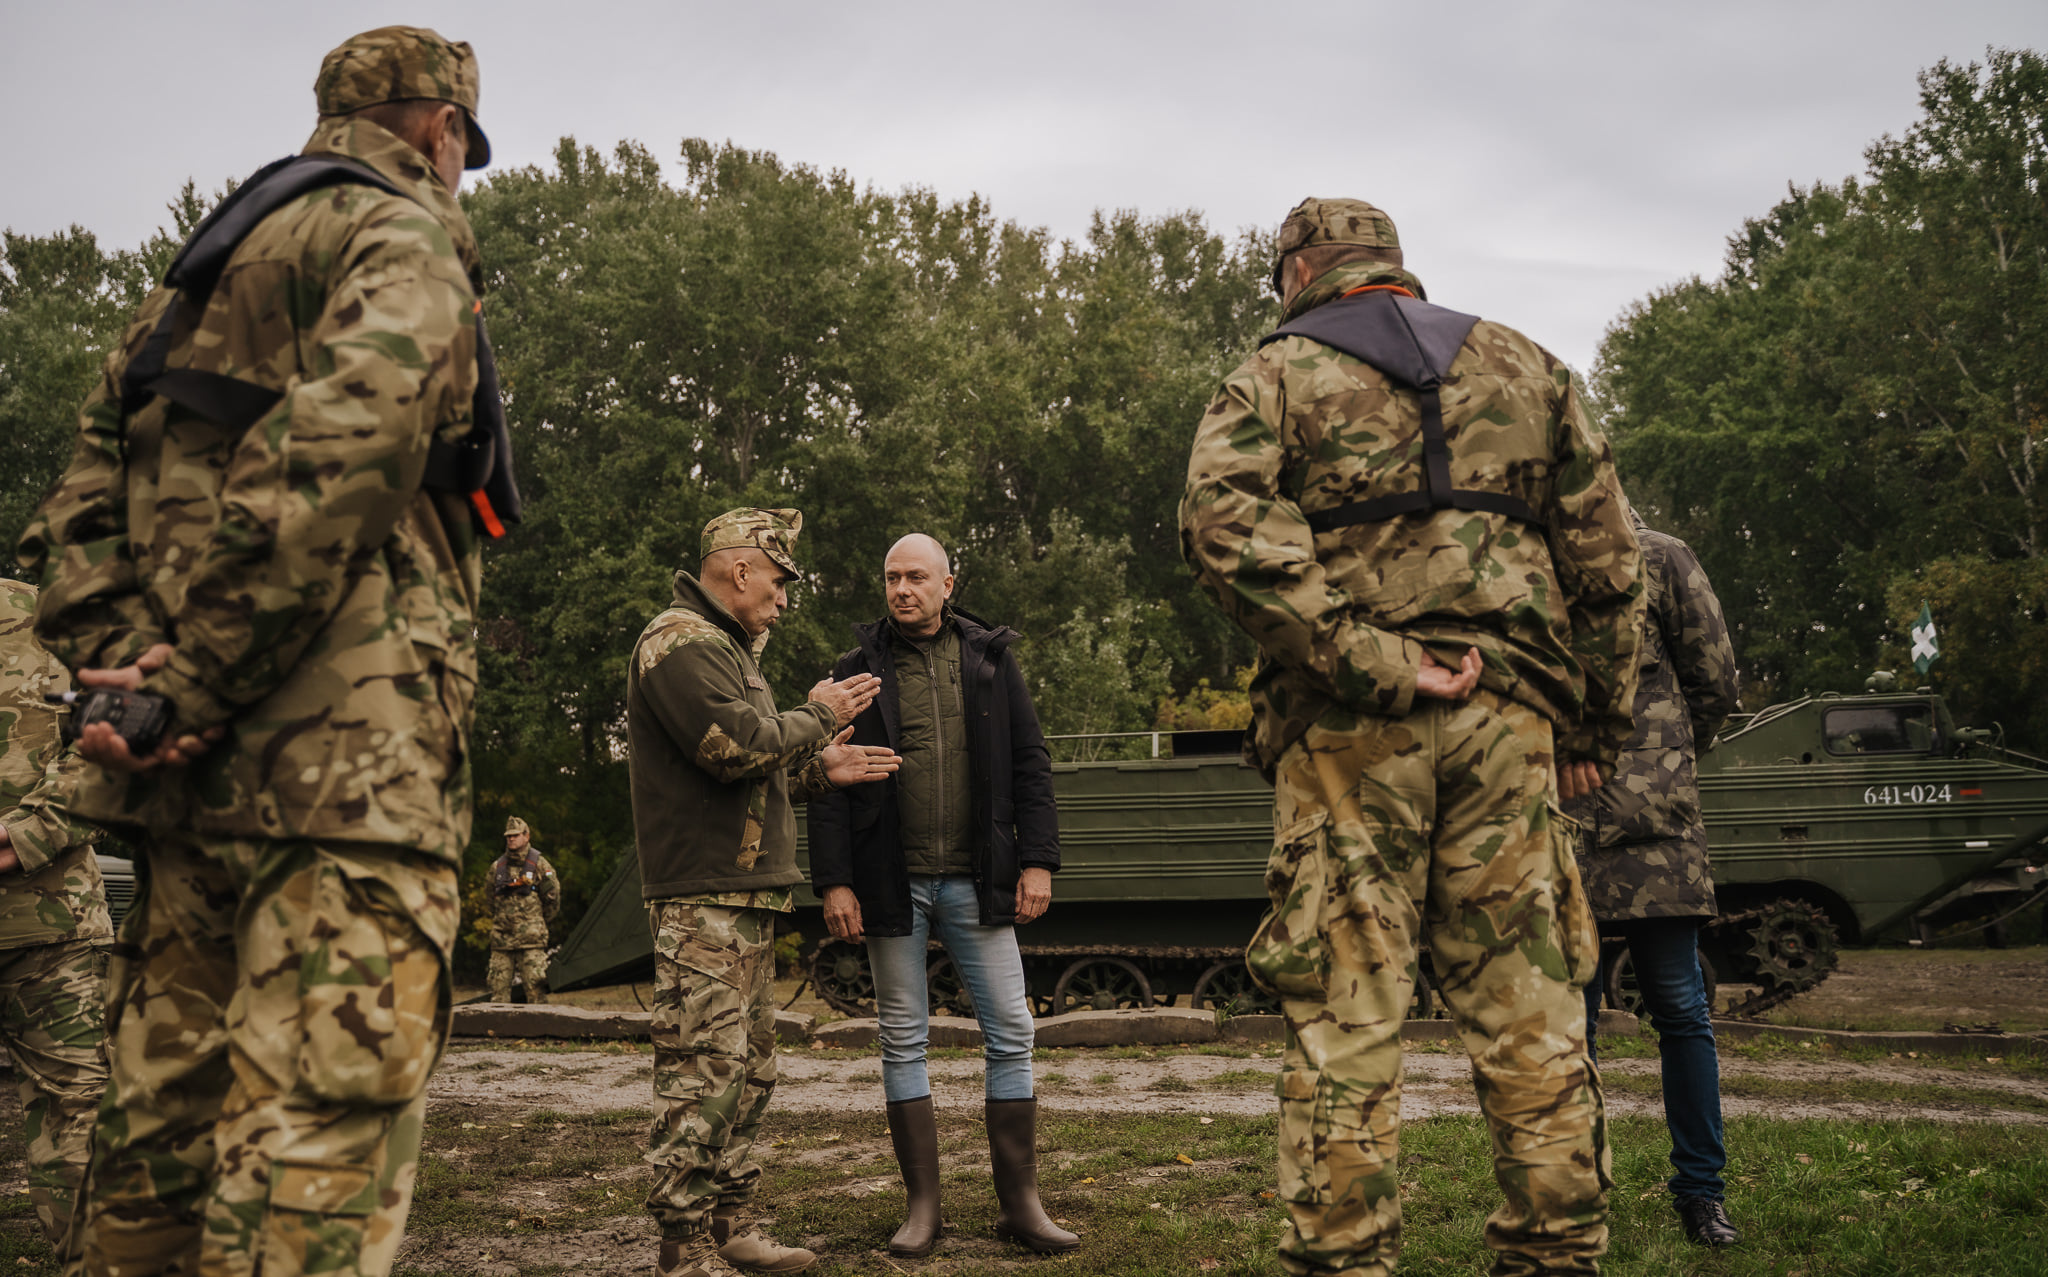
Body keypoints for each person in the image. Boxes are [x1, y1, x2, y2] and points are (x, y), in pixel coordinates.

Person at [17, 26, 502, 1275]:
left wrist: (133, 679)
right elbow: (346, 449)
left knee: (159, 1150)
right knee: (312, 1153)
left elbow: (71, 515)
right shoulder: (401, 233)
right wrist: (195, 678)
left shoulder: (187, 284)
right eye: (461, 145)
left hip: (187, 793)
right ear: (440, 128)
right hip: (344, 784)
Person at [1180, 196, 1645, 1277]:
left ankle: (1345, 1259)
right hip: (1509, 726)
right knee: (1532, 1009)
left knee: (1347, 1011)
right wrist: (1592, 724)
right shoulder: (1529, 367)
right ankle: (1555, 1254)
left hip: (1349, 733)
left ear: (1300, 270)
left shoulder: (1271, 375)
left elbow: (1223, 531)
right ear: (1392, 261)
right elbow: (1612, 565)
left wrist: (1370, 659)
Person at [628, 508, 900, 1277]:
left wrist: (819, 772)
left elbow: (755, 769)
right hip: (703, 899)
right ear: (740, 569)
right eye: (779, 583)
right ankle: (681, 1249)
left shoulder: (726, 649)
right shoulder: (678, 641)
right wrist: (820, 715)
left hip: (744, 895)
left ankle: (731, 1221)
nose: (783, 601)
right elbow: (733, 748)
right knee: (703, 1071)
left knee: (749, 1071)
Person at [808, 533, 1074, 1259]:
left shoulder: (991, 660)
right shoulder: (855, 670)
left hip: (976, 880)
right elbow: (828, 781)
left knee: (1011, 1031)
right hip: (889, 880)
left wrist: (1038, 862)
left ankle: (1020, 1205)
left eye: (916, 577)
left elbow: (1031, 763)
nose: (902, 589)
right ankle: (922, 1208)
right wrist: (835, 880)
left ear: (947, 584)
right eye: (892, 577)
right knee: (903, 1038)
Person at [1567, 510, 1741, 1248]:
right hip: (1558, 826)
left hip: (1652, 830)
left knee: (1677, 1005)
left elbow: (1715, 681)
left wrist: (1659, 763)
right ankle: (1574, 1195)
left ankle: (1700, 1192)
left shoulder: (1661, 558)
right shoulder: (1525, 563)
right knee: (1568, 1022)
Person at [0, 579, 111, 1260]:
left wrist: (28, 833)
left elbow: (120, 736)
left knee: (82, 1128)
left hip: (51, 932)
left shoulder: (51, 620)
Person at [485, 816, 562, 1003]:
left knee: (536, 991)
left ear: (526, 836)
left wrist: (535, 923)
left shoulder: (540, 865)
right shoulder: (497, 867)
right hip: (502, 940)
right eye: (508, 836)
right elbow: (489, 900)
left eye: (516, 835)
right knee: (498, 993)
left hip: (531, 940)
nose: (511, 839)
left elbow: (552, 899)